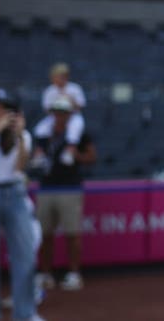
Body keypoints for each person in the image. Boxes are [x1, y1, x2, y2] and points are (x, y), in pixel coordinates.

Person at [0, 88, 42, 321]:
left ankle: (25, 314)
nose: (0, 112)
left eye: (5, 107)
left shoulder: (22, 135)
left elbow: (20, 166)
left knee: (25, 258)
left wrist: (18, 135)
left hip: (15, 195)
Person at [33, 96, 95, 293]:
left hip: (70, 188)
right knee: (44, 234)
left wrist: (76, 155)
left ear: (69, 114)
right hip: (46, 188)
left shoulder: (79, 133)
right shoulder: (44, 132)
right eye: (57, 112)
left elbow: (91, 157)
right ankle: (45, 274)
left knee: (72, 234)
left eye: (63, 112)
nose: (60, 116)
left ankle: (74, 273)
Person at [38, 64, 85, 150]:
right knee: (41, 129)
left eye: (60, 76)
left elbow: (81, 105)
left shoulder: (75, 88)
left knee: (75, 128)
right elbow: (46, 108)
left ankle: (70, 151)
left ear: (66, 77)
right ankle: (41, 152)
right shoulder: (49, 90)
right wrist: (58, 110)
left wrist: (70, 101)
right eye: (55, 77)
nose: (57, 79)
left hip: (72, 116)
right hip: (55, 117)